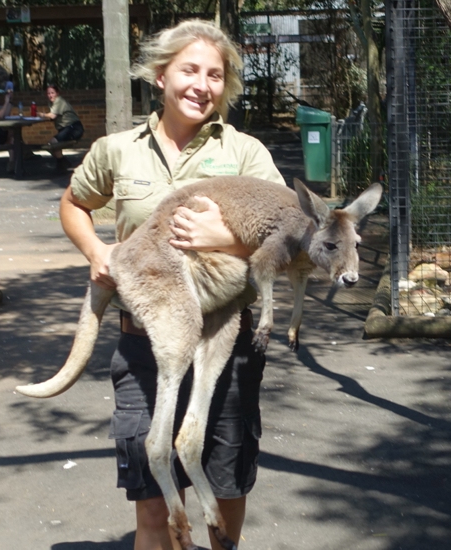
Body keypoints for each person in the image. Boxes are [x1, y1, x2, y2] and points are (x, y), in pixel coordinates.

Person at [59, 19, 285, 550]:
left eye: (214, 75)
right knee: (155, 515)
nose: (201, 85)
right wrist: (98, 252)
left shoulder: (245, 151)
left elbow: (289, 233)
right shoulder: (118, 150)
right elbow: (74, 204)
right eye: (189, 70)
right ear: (161, 76)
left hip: (223, 343)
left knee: (225, 501)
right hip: (144, 342)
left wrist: (224, 238)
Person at [42, 85, 84, 171]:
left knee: (53, 143)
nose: (50, 95)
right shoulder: (51, 103)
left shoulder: (59, 100)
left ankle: (62, 164)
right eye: (48, 93)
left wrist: (40, 114)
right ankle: (63, 163)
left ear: (57, 93)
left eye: (52, 93)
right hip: (65, 129)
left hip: (73, 128)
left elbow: (52, 116)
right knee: (51, 145)